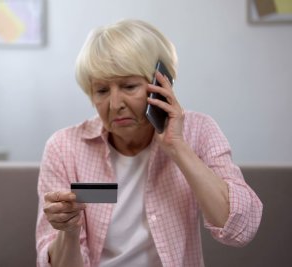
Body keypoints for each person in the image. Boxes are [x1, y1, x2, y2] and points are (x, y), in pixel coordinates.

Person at [36, 19, 262, 267]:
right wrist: (67, 231)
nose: (115, 105)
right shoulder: (64, 147)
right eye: (101, 91)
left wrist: (178, 147)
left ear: (161, 84)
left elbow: (241, 230)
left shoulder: (199, 131)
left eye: (129, 86)